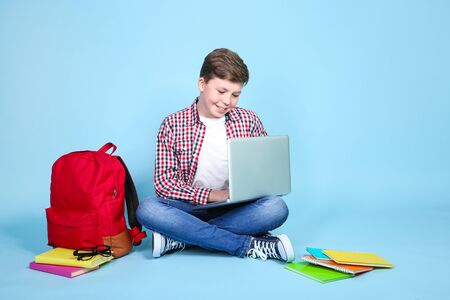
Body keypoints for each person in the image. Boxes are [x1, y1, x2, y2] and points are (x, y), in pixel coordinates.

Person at [136, 48, 295, 262]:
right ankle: (246, 245)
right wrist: (212, 195)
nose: (227, 101)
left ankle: (180, 238)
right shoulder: (173, 124)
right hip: (188, 209)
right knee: (148, 209)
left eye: (235, 94)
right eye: (221, 91)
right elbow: (164, 184)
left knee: (276, 208)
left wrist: (240, 192)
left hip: (235, 209)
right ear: (202, 84)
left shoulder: (249, 120)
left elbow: (265, 174)